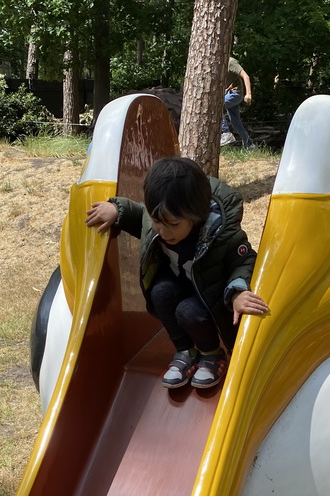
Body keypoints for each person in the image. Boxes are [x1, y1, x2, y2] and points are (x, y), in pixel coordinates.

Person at [85, 156, 269, 390]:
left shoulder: (220, 234)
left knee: (187, 310)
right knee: (160, 292)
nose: (162, 231)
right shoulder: (159, 221)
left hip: (211, 299)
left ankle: (213, 355)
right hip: (183, 285)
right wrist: (116, 209)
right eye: (157, 221)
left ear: (196, 217)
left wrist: (237, 292)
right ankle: (186, 351)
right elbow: (139, 215)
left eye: (172, 224)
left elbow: (243, 260)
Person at [220, 56, 256, 149]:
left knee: (216, 107)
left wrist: (248, 94)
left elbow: (246, 76)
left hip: (235, 94)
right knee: (236, 122)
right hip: (228, 93)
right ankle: (250, 145)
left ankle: (226, 133)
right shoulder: (218, 63)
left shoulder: (230, 62)